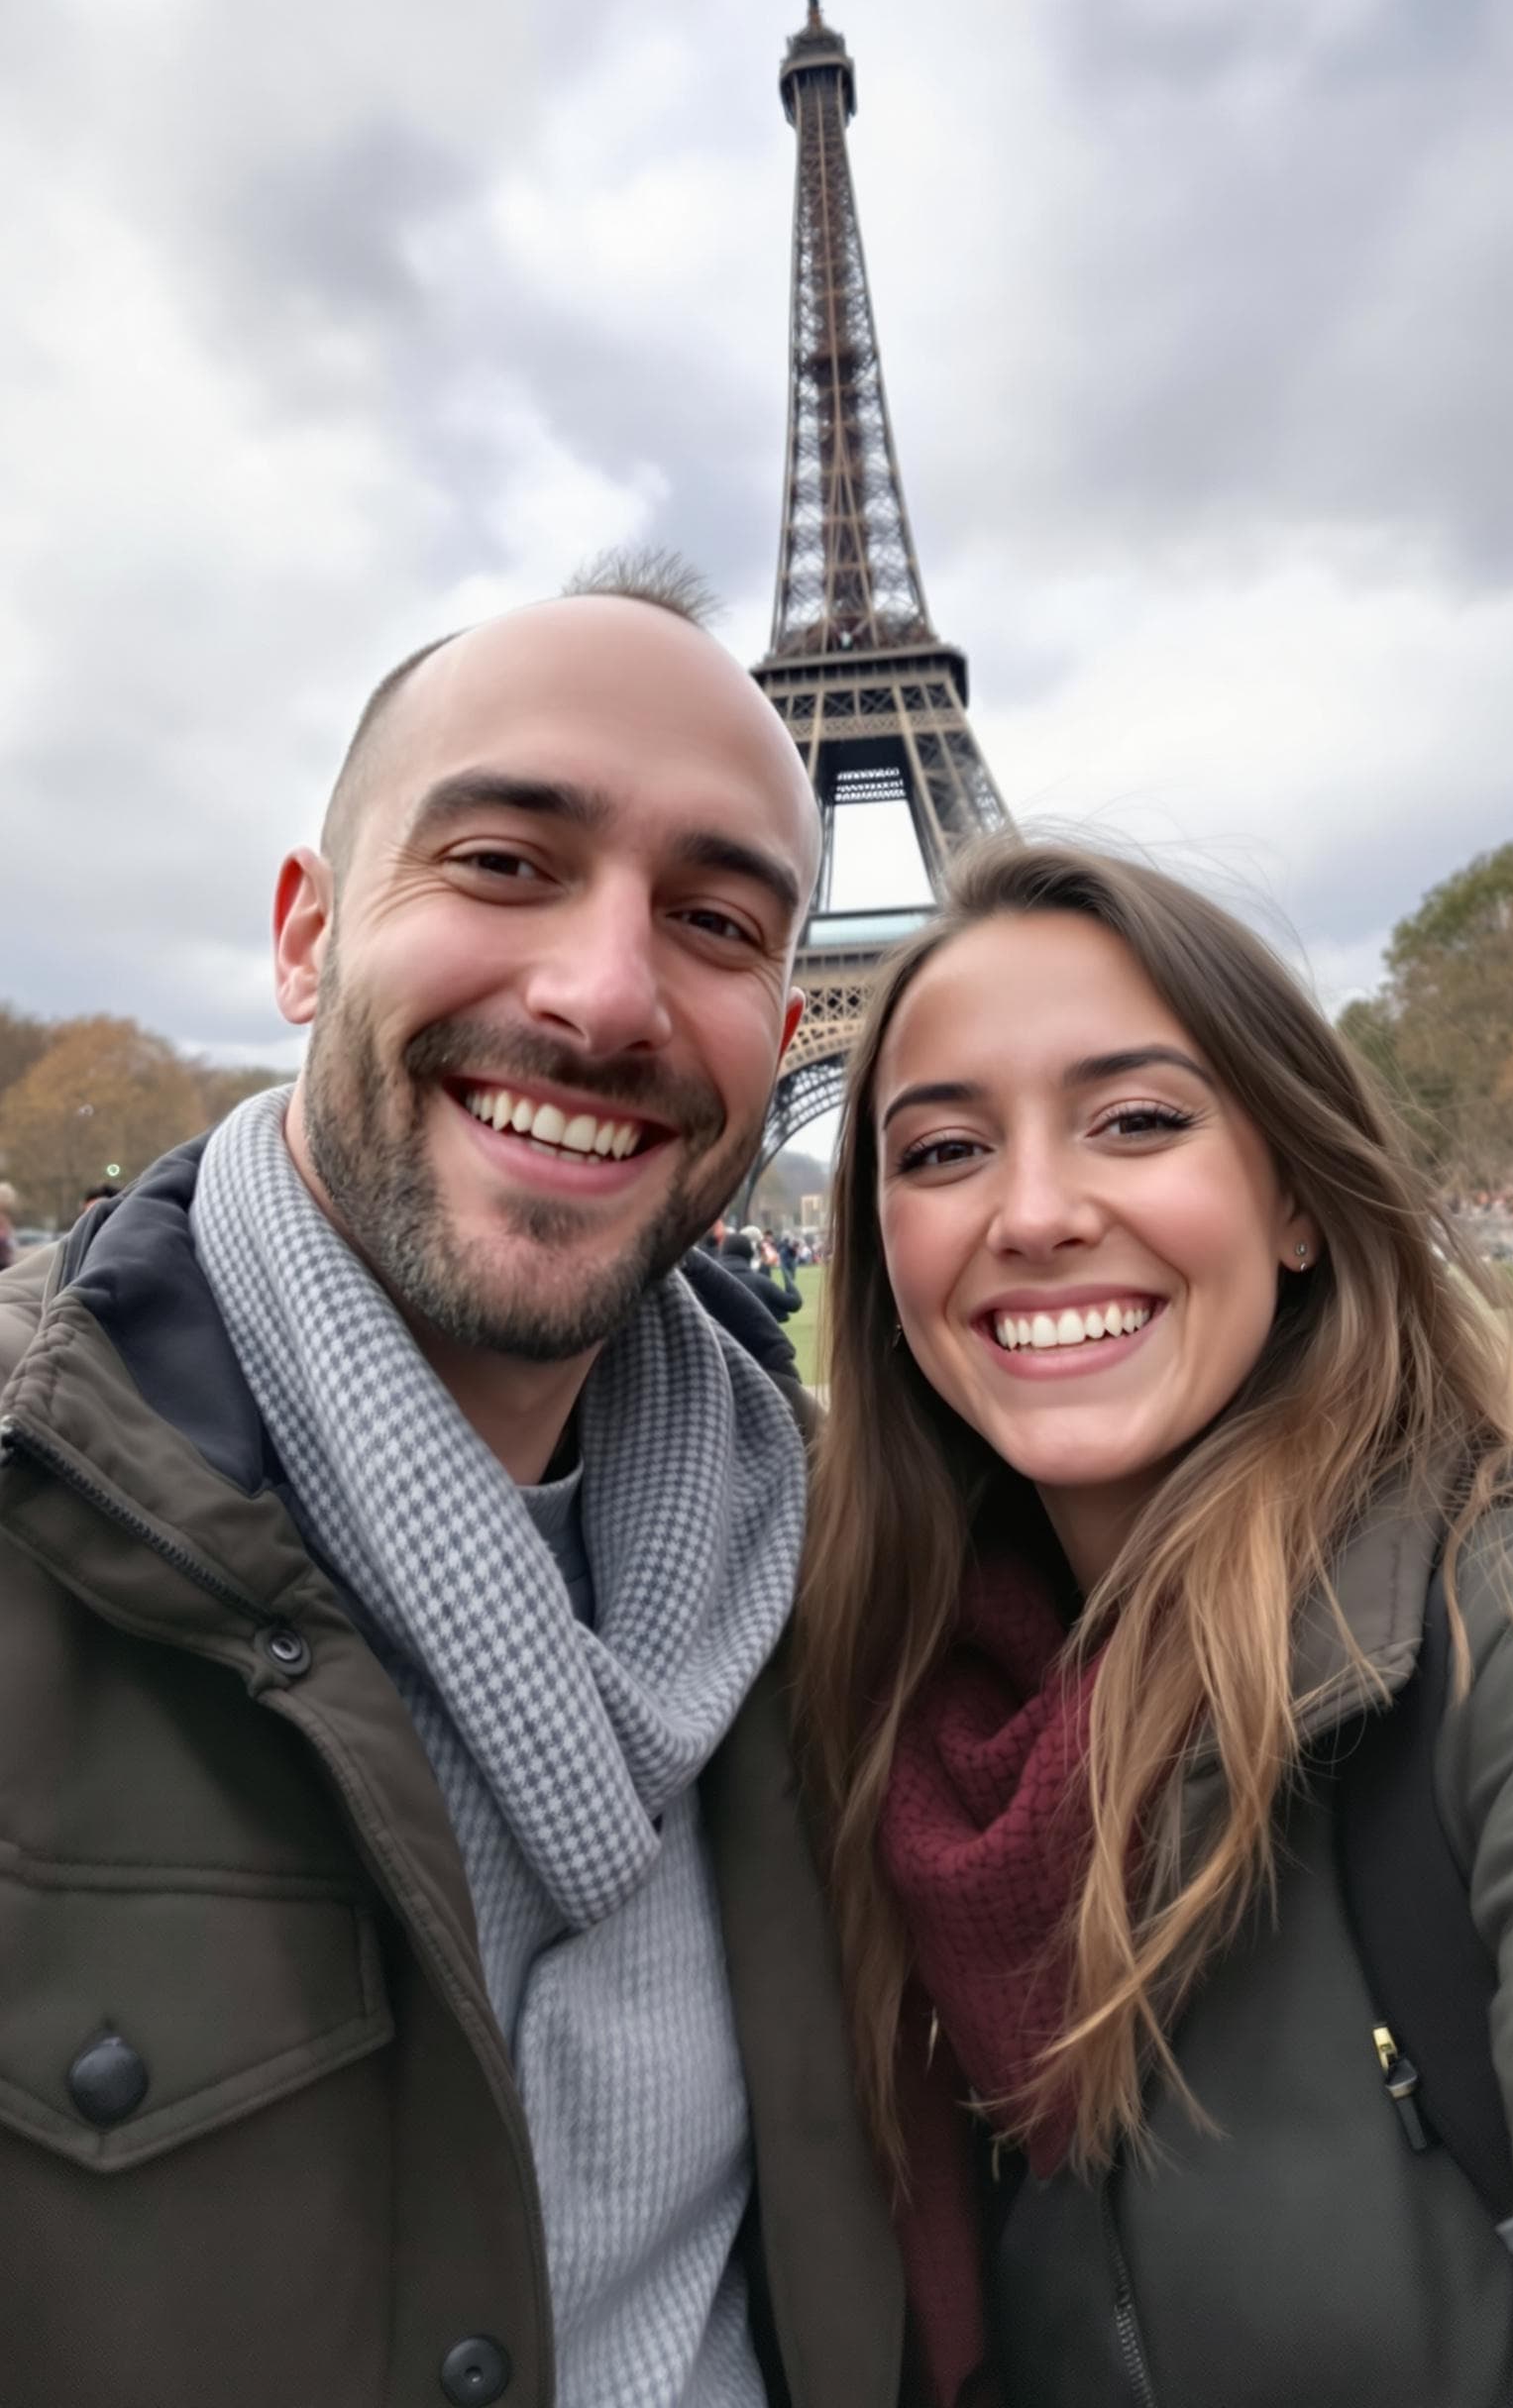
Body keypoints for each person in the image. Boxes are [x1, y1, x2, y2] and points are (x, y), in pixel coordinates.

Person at [0, 574, 901, 2408]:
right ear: (306, 936)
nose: (602, 992)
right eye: (502, 862)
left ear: (786, 1019)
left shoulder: (852, 1584)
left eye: (719, 919)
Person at [795, 831, 1513, 2408]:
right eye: (939, 1153)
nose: (1035, 1212)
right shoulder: (880, 1709)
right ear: (883, 1255)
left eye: (1135, 1120)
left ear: (1299, 1202)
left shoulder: (1489, 1632)